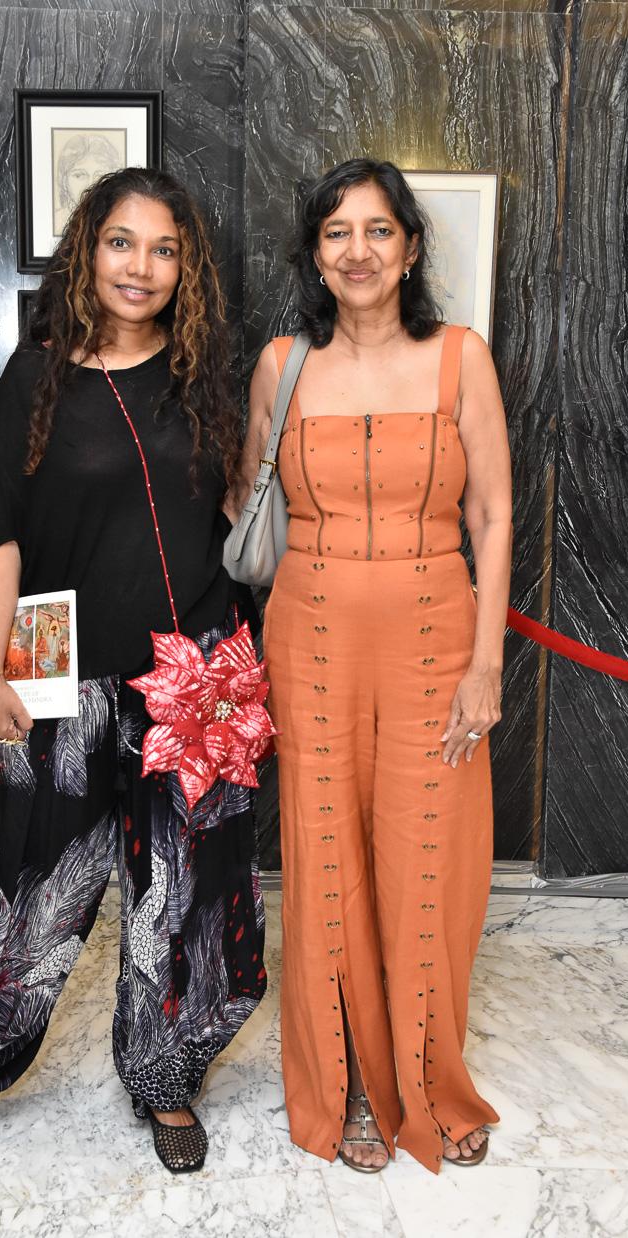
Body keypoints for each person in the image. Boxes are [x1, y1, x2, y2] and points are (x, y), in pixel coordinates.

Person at [0, 167, 266, 1183]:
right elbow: (0, 537)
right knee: (24, 885)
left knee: (181, 887)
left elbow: (240, 518)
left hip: (189, 680)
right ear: (87, 251)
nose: (141, 267)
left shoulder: (205, 382)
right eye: (121, 243)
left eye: (165, 249)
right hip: (61, 679)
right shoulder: (37, 376)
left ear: (187, 269)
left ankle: (164, 1074)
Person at [237, 158, 511, 1174]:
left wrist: (486, 662)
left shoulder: (459, 358)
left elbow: (492, 513)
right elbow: (247, 498)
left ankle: (430, 1082)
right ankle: (349, 1081)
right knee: (325, 861)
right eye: (336, 232)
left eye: (378, 230)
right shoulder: (281, 365)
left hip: (438, 639)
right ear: (315, 254)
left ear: (409, 248)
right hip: (309, 641)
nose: (358, 251)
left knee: (429, 859)